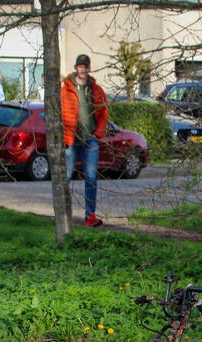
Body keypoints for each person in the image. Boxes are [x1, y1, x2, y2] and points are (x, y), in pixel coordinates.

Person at [62, 54, 109, 227]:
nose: (82, 69)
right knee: (66, 175)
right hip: (71, 138)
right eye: (80, 66)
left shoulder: (96, 90)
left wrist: (98, 132)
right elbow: (58, 112)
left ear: (89, 68)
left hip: (90, 138)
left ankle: (90, 215)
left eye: (85, 66)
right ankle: (63, 214)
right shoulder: (65, 89)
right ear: (76, 68)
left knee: (91, 177)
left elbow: (104, 112)